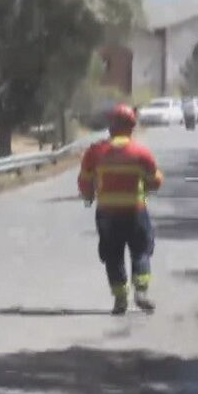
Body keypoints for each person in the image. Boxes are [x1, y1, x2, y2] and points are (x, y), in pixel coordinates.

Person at [79, 104, 163, 315]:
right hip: (135, 212)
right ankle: (141, 292)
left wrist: (88, 197)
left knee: (113, 255)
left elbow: (85, 182)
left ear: (111, 126)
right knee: (141, 251)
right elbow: (156, 181)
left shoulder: (95, 151)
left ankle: (120, 299)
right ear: (132, 127)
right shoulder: (142, 152)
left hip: (107, 214)